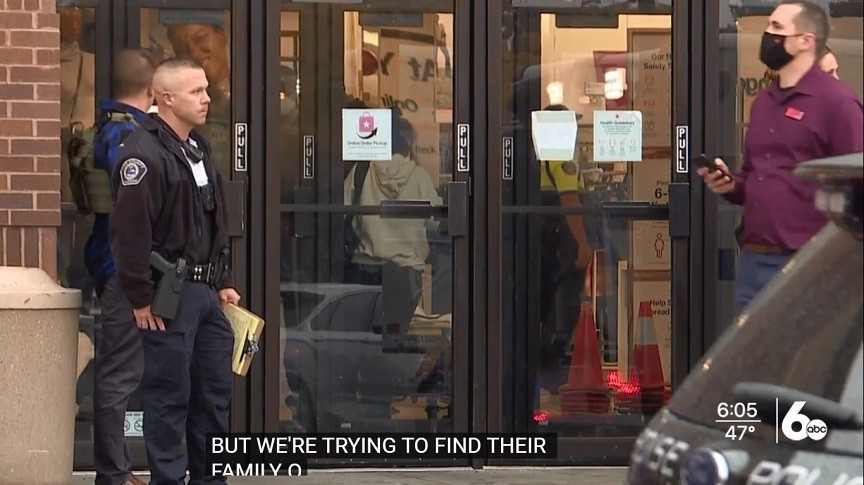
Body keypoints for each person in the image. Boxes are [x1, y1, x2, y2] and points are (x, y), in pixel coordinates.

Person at [108, 58, 241, 485]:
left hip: (205, 292)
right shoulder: (142, 153)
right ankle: (168, 479)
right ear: (166, 98)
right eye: (196, 92)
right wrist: (140, 297)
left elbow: (212, 220)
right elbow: (129, 233)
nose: (207, 99)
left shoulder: (197, 147)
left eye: (206, 89)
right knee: (168, 397)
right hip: (167, 292)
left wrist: (223, 281)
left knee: (213, 394)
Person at [698, 0, 863, 312]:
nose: (767, 35)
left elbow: (858, 183)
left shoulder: (837, 103)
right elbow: (755, 175)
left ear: (805, 40)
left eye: (777, 28)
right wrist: (731, 184)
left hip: (810, 265)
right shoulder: (764, 102)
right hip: (754, 262)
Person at [87, 49, 156, 485]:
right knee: (119, 374)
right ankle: (113, 474)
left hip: (114, 263)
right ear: (152, 89)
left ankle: (118, 470)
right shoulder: (128, 135)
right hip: (124, 268)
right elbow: (133, 206)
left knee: (126, 369)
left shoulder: (111, 127)